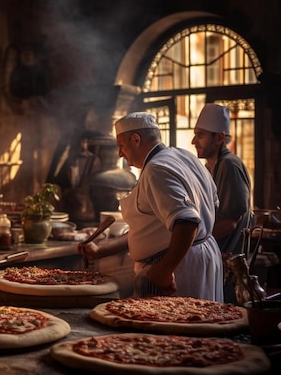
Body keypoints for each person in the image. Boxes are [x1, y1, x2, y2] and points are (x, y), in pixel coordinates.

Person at [77, 112, 224, 301]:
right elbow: (150, 229)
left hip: (180, 268)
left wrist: (164, 270)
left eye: (121, 146)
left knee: (178, 325)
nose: (120, 153)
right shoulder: (185, 156)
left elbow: (187, 222)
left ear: (136, 139)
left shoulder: (156, 169)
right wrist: (101, 251)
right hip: (199, 257)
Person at [191, 103, 255, 303]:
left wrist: (192, 244)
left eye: (200, 135)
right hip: (216, 259)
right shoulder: (210, 167)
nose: (194, 141)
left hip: (229, 263)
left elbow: (230, 222)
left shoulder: (229, 165)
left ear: (219, 138)